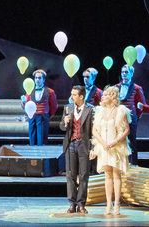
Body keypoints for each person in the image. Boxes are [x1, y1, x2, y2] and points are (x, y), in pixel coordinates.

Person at [91, 85, 131, 216]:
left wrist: (114, 142)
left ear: (112, 96)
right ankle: (109, 204)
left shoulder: (120, 110)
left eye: (106, 94)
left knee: (116, 175)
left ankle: (117, 204)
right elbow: (94, 130)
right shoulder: (99, 111)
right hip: (104, 147)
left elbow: (126, 130)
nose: (103, 96)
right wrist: (103, 143)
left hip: (116, 147)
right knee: (107, 175)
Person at [60, 85, 94, 214]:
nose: (72, 96)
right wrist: (65, 122)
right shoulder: (68, 108)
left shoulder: (90, 109)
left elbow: (93, 130)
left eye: (74, 95)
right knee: (70, 175)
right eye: (72, 94)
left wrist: (93, 148)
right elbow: (62, 127)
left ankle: (81, 204)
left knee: (84, 175)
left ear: (81, 96)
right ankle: (72, 203)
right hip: (71, 144)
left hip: (84, 145)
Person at [116, 64, 145, 165]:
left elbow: (141, 106)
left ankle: (133, 164)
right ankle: (120, 164)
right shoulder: (116, 87)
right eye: (122, 72)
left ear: (131, 74)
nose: (124, 74)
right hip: (118, 119)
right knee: (119, 141)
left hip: (131, 119)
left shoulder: (137, 88)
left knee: (131, 142)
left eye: (126, 72)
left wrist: (134, 117)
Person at [22, 69, 57, 146]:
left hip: (43, 117)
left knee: (42, 137)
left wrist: (48, 115)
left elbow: (54, 106)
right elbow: (26, 106)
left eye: (39, 78)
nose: (37, 80)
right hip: (32, 117)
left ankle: (41, 151)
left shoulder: (50, 91)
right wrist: (24, 102)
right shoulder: (29, 91)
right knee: (32, 136)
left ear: (43, 80)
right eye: (36, 78)